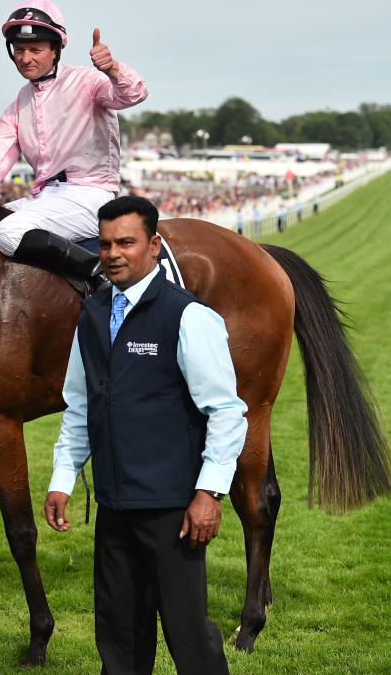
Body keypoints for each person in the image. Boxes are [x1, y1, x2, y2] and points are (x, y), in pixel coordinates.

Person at [43, 195, 247, 674]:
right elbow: (80, 405)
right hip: (114, 508)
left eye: (126, 243)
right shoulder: (91, 314)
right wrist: (62, 478)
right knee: (118, 640)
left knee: (189, 637)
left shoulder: (188, 317)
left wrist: (209, 492)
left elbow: (226, 411)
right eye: (105, 243)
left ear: (154, 245)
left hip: (173, 510)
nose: (113, 253)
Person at [0, 0, 148, 288]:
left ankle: (98, 276)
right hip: (46, 198)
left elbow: (134, 94)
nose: (25, 58)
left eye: (35, 49)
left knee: (8, 233)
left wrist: (113, 69)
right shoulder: (20, 103)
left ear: (55, 50)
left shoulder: (87, 81)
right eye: (19, 50)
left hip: (90, 196)